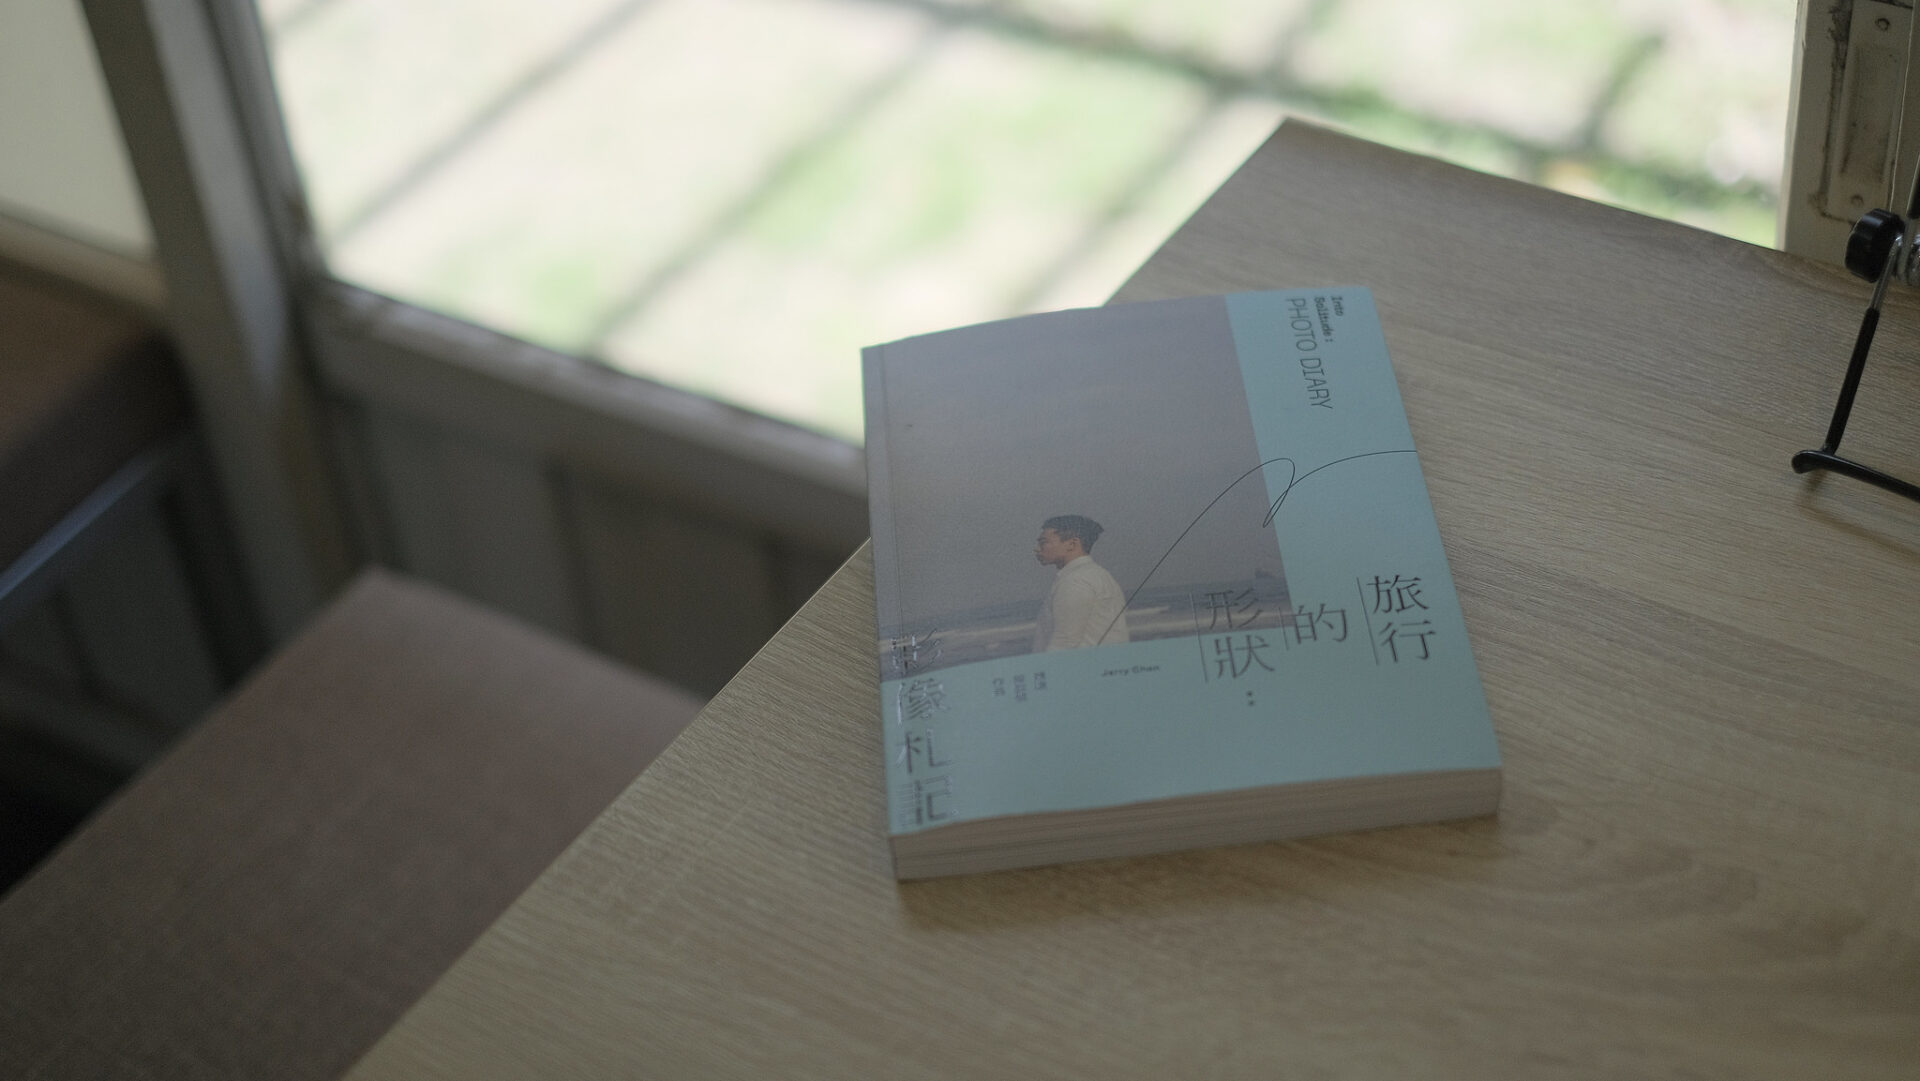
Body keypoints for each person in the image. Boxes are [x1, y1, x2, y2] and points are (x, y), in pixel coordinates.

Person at [1031, 515, 1130, 652]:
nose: (1037, 549)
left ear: (1072, 544)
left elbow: (1065, 641)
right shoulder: (1096, 574)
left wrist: (1046, 665)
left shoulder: (1076, 580)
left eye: (1043, 542)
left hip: (1083, 664)